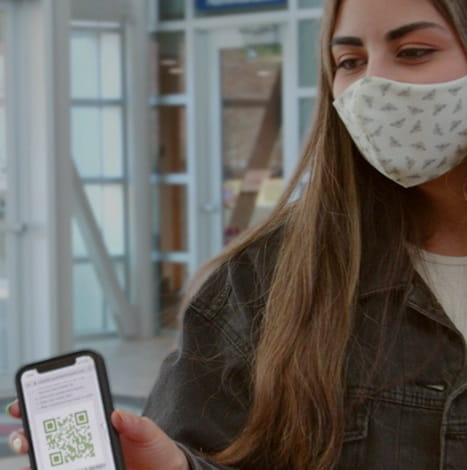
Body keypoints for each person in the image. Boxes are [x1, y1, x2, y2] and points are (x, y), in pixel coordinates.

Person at [7, 0, 467, 468]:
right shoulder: (265, 280)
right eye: (349, 61)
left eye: (413, 51)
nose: (372, 85)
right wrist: (171, 465)